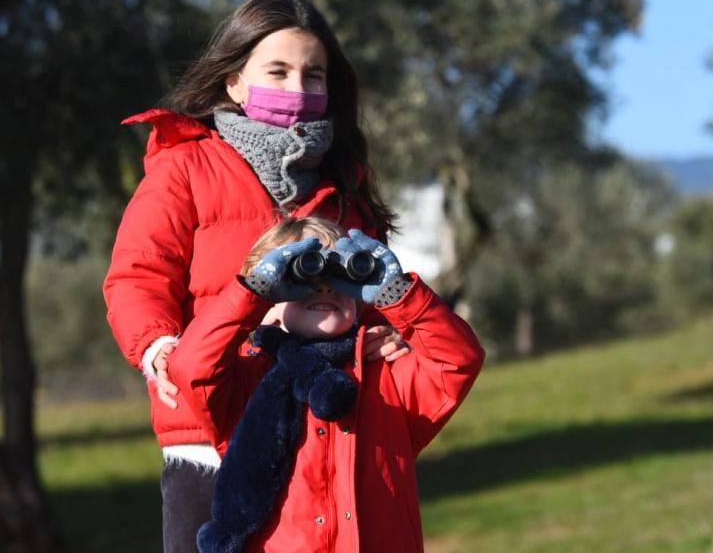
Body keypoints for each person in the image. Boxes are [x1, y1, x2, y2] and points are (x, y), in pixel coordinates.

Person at [102, 0, 408, 552]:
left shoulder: (347, 191)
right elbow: (137, 276)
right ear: (234, 81)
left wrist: (385, 335)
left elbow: (372, 300)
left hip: (319, 432)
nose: (297, 89)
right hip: (207, 432)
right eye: (278, 71)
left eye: (313, 75)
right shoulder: (183, 168)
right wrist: (156, 346)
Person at [167, 217, 486, 553]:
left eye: (339, 275)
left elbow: (459, 359)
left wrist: (399, 294)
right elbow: (190, 365)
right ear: (266, 305)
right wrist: (252, 293)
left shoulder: (389, 378)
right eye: (300, 275)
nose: (324, 287)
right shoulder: (246, 383)